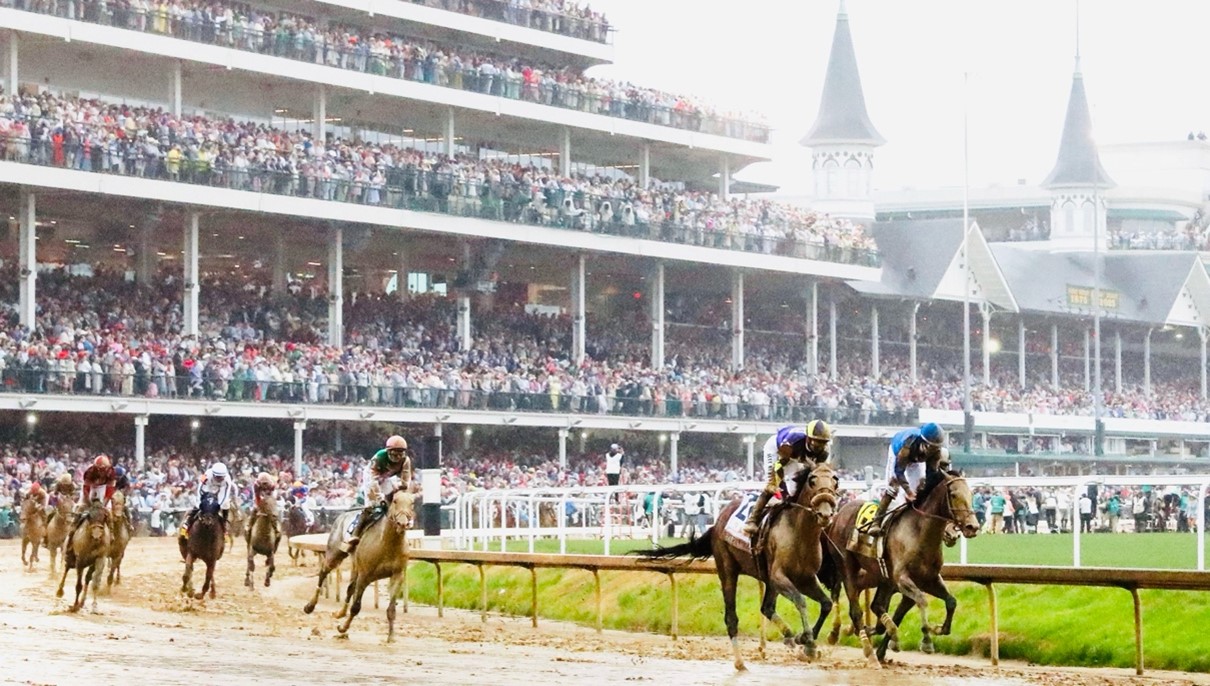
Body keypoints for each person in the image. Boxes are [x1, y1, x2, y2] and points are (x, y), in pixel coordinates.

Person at [744, 419, 832, 537]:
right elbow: (779, 465)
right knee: (772, 485)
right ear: (809, 438)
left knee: (793, 489)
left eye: (823, 442)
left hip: (798, 456)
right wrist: (775, 481)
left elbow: (818, 472)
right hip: (776, 450)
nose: (820, 445)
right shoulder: (792, 444)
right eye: (817, 441)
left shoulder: (824, 452)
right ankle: (752, 520)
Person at [867, 421, 947, 536]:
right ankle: (876, 521)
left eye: (937, 448)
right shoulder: (907, 445)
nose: (934, 451)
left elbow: (931, 476)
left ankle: (917, 521)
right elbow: (899, 472)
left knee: (919, 487)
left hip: (916, 460)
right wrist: (908, 491)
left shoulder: (936, 453)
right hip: (897, 453)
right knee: (893, 487)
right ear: (924, 442)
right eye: (932, 447)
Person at [342, 435, 412, 554]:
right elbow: (373, 481)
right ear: (388, 451)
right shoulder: (379, 457)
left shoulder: (406, 460)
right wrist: (380, 499)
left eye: (400, 453)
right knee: (371, 506)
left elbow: (406, 479)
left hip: (388, 477)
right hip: (372, 477)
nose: (398, 457)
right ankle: (354, 534)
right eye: (395, 454)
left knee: (400, 503)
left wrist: (402, 490)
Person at [179, 462, 236, 541]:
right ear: (213, 474)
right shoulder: (206, 475)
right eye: (218, 477)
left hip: (219, 492)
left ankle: (224, 524)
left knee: (226, 504)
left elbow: (224, 495)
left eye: (221, 477)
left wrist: (217, 506)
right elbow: (200, 489)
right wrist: (201, 502)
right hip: (207, 489)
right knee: (199, 504)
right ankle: (187, 523)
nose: (220, 479)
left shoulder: (227, 480)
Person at [251, 472, 280, 540]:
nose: (264, 485)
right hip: (260, 496)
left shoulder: (272, 485)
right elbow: (257, 495)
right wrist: (259, 504)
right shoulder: (256, 485)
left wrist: (269, 501)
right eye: (263, 483)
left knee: (272, 512)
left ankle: (276, 529)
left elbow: (273, 495)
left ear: (268, 482)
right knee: (254, 510)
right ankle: (249, 526)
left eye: (265, 483)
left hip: (270, 496)